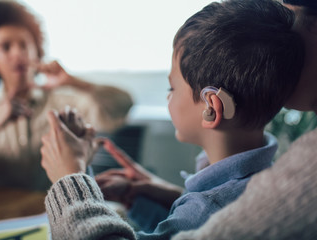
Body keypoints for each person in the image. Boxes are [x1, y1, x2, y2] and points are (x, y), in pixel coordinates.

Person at [40, 0, 305, 239]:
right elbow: (180, 232)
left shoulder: (207, 208)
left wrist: (70, 176)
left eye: (172, 88)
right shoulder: (264, 182)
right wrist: (142, 197)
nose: (169, 98)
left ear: (212, 107)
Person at [171, 0, 317, 239]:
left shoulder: (308, 174)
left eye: (171, 88)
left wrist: (84, 173)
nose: (283, 35)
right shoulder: (269, 181)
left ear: (212, 107)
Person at [0, 0, 133, 191]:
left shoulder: (60, 102)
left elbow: (123, 105)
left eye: (24, 45)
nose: (17, 54)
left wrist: (73, 82)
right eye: (6, 47)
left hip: (49, 213)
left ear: (37, 52)